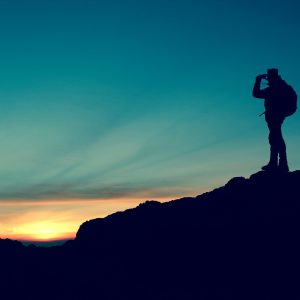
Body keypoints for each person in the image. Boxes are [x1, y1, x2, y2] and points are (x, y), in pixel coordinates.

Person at [252, 68, 290, 172]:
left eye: (269, 76)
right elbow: (256, 94)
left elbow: (256, 94)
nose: (268, 78)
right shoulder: (279, 86)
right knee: (274, 137)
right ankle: (275, 163)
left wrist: (258, 80)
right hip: (275, 115)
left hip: (275, 115)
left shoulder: (276, 88)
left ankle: (281, 164)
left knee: (276, 137)